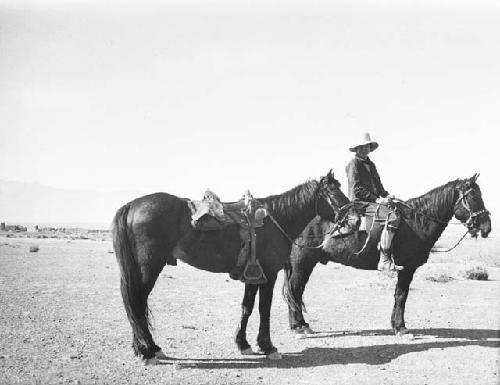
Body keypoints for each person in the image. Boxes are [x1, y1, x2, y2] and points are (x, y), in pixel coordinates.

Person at [345, 132, 403, 272]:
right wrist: (377, 199)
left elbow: (378, 186)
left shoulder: (371, 164)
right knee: (392, 218)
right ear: (357, 148)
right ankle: (383, 260)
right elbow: (357, 189)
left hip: (373, 201)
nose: (366, 149)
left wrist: (387, 195)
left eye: (368, 146)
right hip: (359, 203)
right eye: (363, 146)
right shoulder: (353, 165)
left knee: (400, 210)